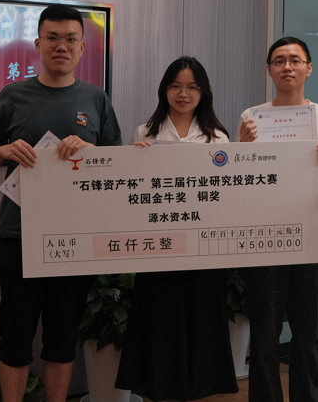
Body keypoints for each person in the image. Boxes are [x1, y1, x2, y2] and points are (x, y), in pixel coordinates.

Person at [0, 4, 122, 402]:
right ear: (38, 43)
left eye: (71, 39)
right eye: (53, 38)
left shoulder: (96, 99)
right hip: (19, 234)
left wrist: (91, 151)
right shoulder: (13, 94)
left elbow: (116, 163)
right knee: (15, 336)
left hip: (74, 239)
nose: (62, 46)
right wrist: (4, 150)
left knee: (62, 337)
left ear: (82, 47)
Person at [115, 56, 238, 401]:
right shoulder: (144, 133)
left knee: (201, 325)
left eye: (192, 87)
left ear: (203, 92)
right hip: (159, 248)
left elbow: (227, 196)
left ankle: (197, 390)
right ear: (164, 89)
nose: (183, 94)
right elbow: (129, 194)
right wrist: (135, 160)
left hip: (203, 251)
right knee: (160, 325)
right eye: (175, 86)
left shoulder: (218, 138)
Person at [237, 37, 318, 402]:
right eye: (279, 60)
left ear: (308, 68)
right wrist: (241, 148)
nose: (287, 67)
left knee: (307, 336)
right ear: (269, 69)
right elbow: (238, 180)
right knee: (264, 336)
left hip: (310, 241)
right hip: (264, 240)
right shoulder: (251, 117)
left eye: (295, 60)